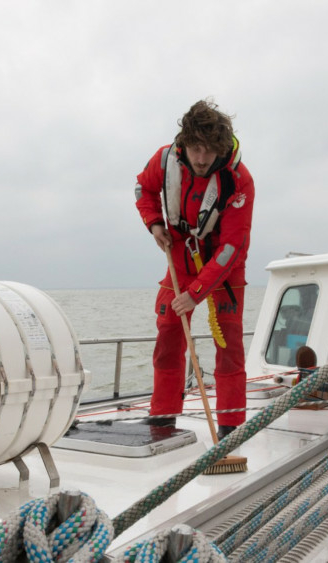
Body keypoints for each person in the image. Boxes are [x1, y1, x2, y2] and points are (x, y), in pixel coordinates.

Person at [134, 99, 255, 437]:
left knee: (229, 345)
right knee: (168, 338)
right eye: (195, 149)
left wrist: (196, 294)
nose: (201, 159)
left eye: (209, 151)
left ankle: (231, 425)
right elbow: (143, 188)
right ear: (183, 143)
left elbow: (233, 246)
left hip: (224, 269)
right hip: (180, 262)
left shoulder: (239, 181)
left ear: (220, 148)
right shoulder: (164, 159)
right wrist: (154, 222)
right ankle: (162, 416)